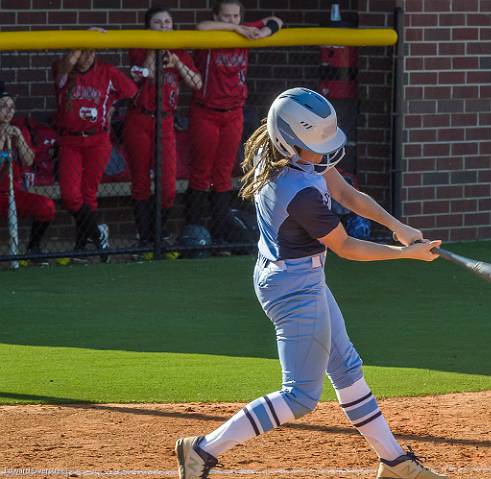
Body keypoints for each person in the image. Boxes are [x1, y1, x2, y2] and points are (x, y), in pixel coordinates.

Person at [175, 88, 449, 479]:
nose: (322, 154)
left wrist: (398, 227)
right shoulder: (298, 191)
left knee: (347, 369)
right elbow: (345, 246)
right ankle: (202, 449)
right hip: (294, 286)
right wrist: (405, 254)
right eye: (313, 146)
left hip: (293, 274)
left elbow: (344, 192)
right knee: (301, 396)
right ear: (290, 141)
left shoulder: (277, 151)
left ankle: (394, 463)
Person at [185, 0, 283, 251]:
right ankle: (193, 231)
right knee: (201, 172)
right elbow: (201, 27)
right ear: (218, 15)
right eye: (226, 16)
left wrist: (263, 31)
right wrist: (236, 30)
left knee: (224, 174)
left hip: (233, 112)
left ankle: (219, 235)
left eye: (236, 16)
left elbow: (276, 21)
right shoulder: (215, 33)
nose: (232, 20)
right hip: (206, 112)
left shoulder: (246, 30)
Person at [52, 32, 138, 262]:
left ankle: (81, 249)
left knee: (88, 195)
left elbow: (131, 91)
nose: (88, 56)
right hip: (70, 140)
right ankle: (98, 236)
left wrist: (112, 106)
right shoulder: (63, 71)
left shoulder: (107, 72)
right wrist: (82, 41)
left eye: (93, 51)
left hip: (98, 140)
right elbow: (64, 68)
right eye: (83, 51)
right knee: (71, 196)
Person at [123, 6, 202, 252]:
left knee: (168, 185)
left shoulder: (178, 52)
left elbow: (197, 83)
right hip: (139, 119)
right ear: (148, 28)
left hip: (166, 120)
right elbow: (144, 77)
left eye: (167, 22)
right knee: (140, 183)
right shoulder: (138, 47)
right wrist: (154, 50)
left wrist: (176, 61)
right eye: (158, 23)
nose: (164, 26)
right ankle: (145, 239)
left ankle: (160, 233)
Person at [0, 82, 56, 262]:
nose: (8, 111)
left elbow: (29, 160)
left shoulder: (17, 129)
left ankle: (33, 248)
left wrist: (19, 138)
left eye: (11, 107)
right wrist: (2, 138)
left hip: (12, 194)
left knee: (46, 206)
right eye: (2, 106)